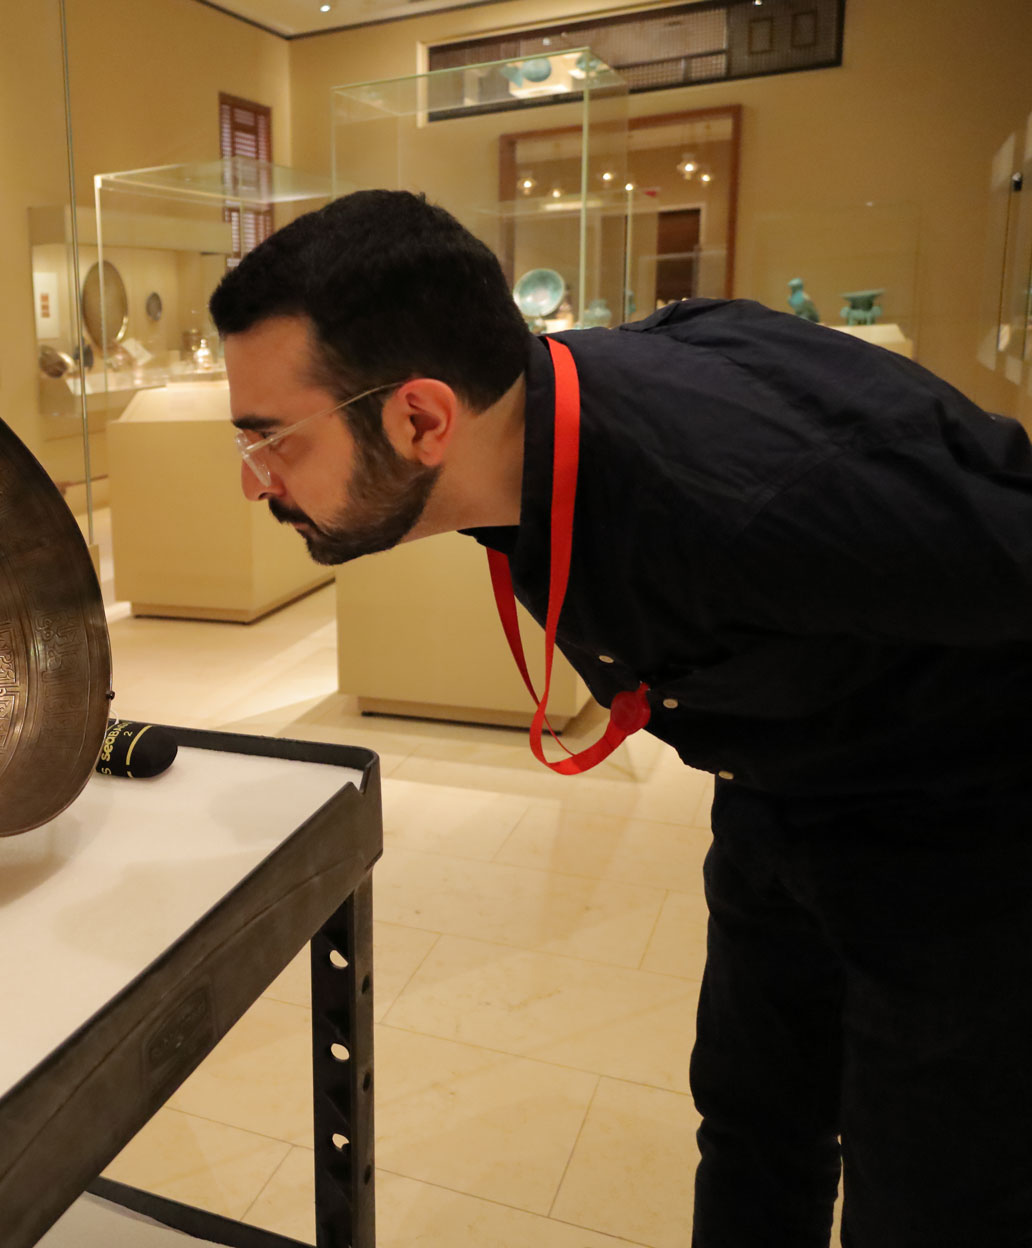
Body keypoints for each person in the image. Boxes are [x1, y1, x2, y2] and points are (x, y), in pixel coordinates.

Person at [209, 189, 1032, 1247]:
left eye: (269, 438)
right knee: (752, 1118)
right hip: (782, 788)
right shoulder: (548, 420)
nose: (254, 482)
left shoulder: (744, 498)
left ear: (420, 417)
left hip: (965, 837)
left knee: (926, 1191)